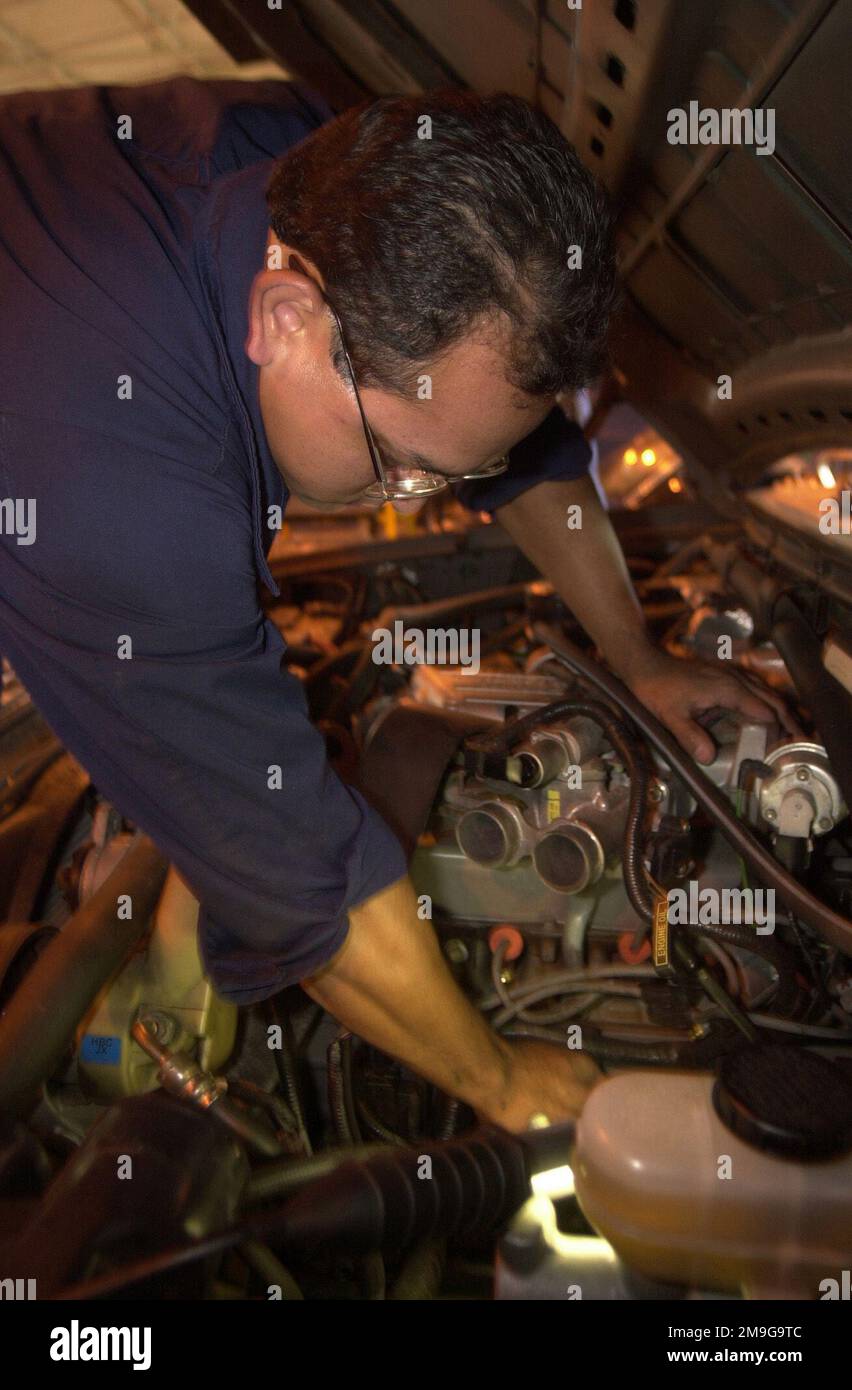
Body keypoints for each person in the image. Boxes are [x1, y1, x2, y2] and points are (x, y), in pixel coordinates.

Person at [0, 78, 789, 1133]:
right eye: (404, 468)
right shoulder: (114, 497)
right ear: (286, 319)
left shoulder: (363, 173)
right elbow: (305, 881)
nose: (419, 504)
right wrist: (504, 1084)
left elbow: (515, 447)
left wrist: (637, 655)